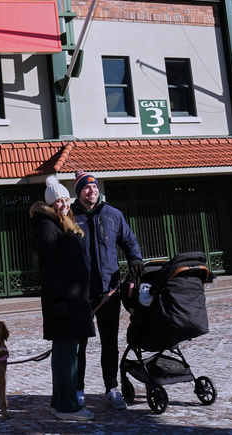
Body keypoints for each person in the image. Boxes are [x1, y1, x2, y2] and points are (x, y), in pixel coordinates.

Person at [71, 171, 143, 411]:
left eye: (94, 187)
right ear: (79, 192)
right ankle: (78, 389)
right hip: (81, 292)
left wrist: (135, 258)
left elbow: (129, 240)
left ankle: (111, 388)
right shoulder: (70, 215)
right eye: (86, 188)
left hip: (109, 290)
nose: (91, 191)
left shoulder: (113, 214)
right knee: (79, 344)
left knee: (109, 342)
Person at [29, 175, 95, 421]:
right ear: (50, 204)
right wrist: (59, 299)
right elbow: (47, 266)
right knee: (67, 354)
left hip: (74, 299)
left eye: (67, 199)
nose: (65, 204)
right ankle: (68, 407)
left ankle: (59, 402)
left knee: (67, 351)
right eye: (59, 201)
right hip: (64, 300)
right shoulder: (48, 226)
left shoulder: (62, 223)